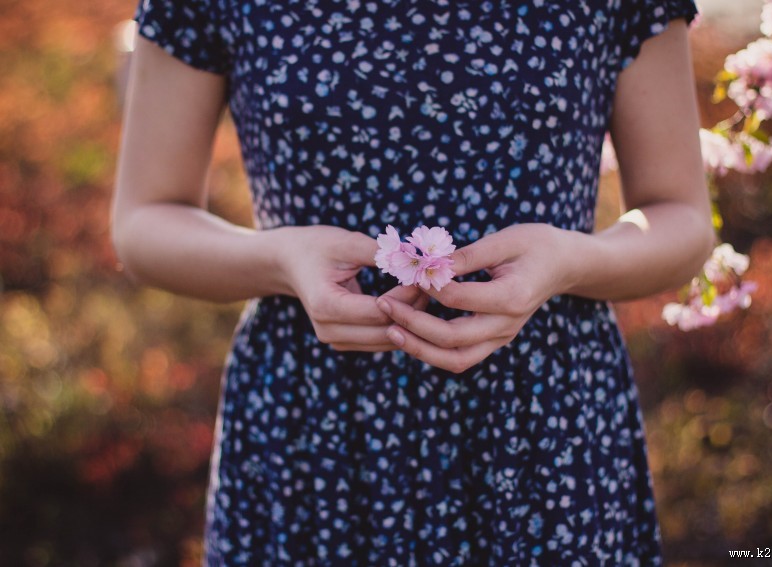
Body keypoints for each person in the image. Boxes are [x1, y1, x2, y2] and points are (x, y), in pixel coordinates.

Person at [113, 0, 713, 564]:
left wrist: (571, 259)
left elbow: (681, 218)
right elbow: (144, 221)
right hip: (313, 423)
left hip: (543, 421)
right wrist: (279, 258)